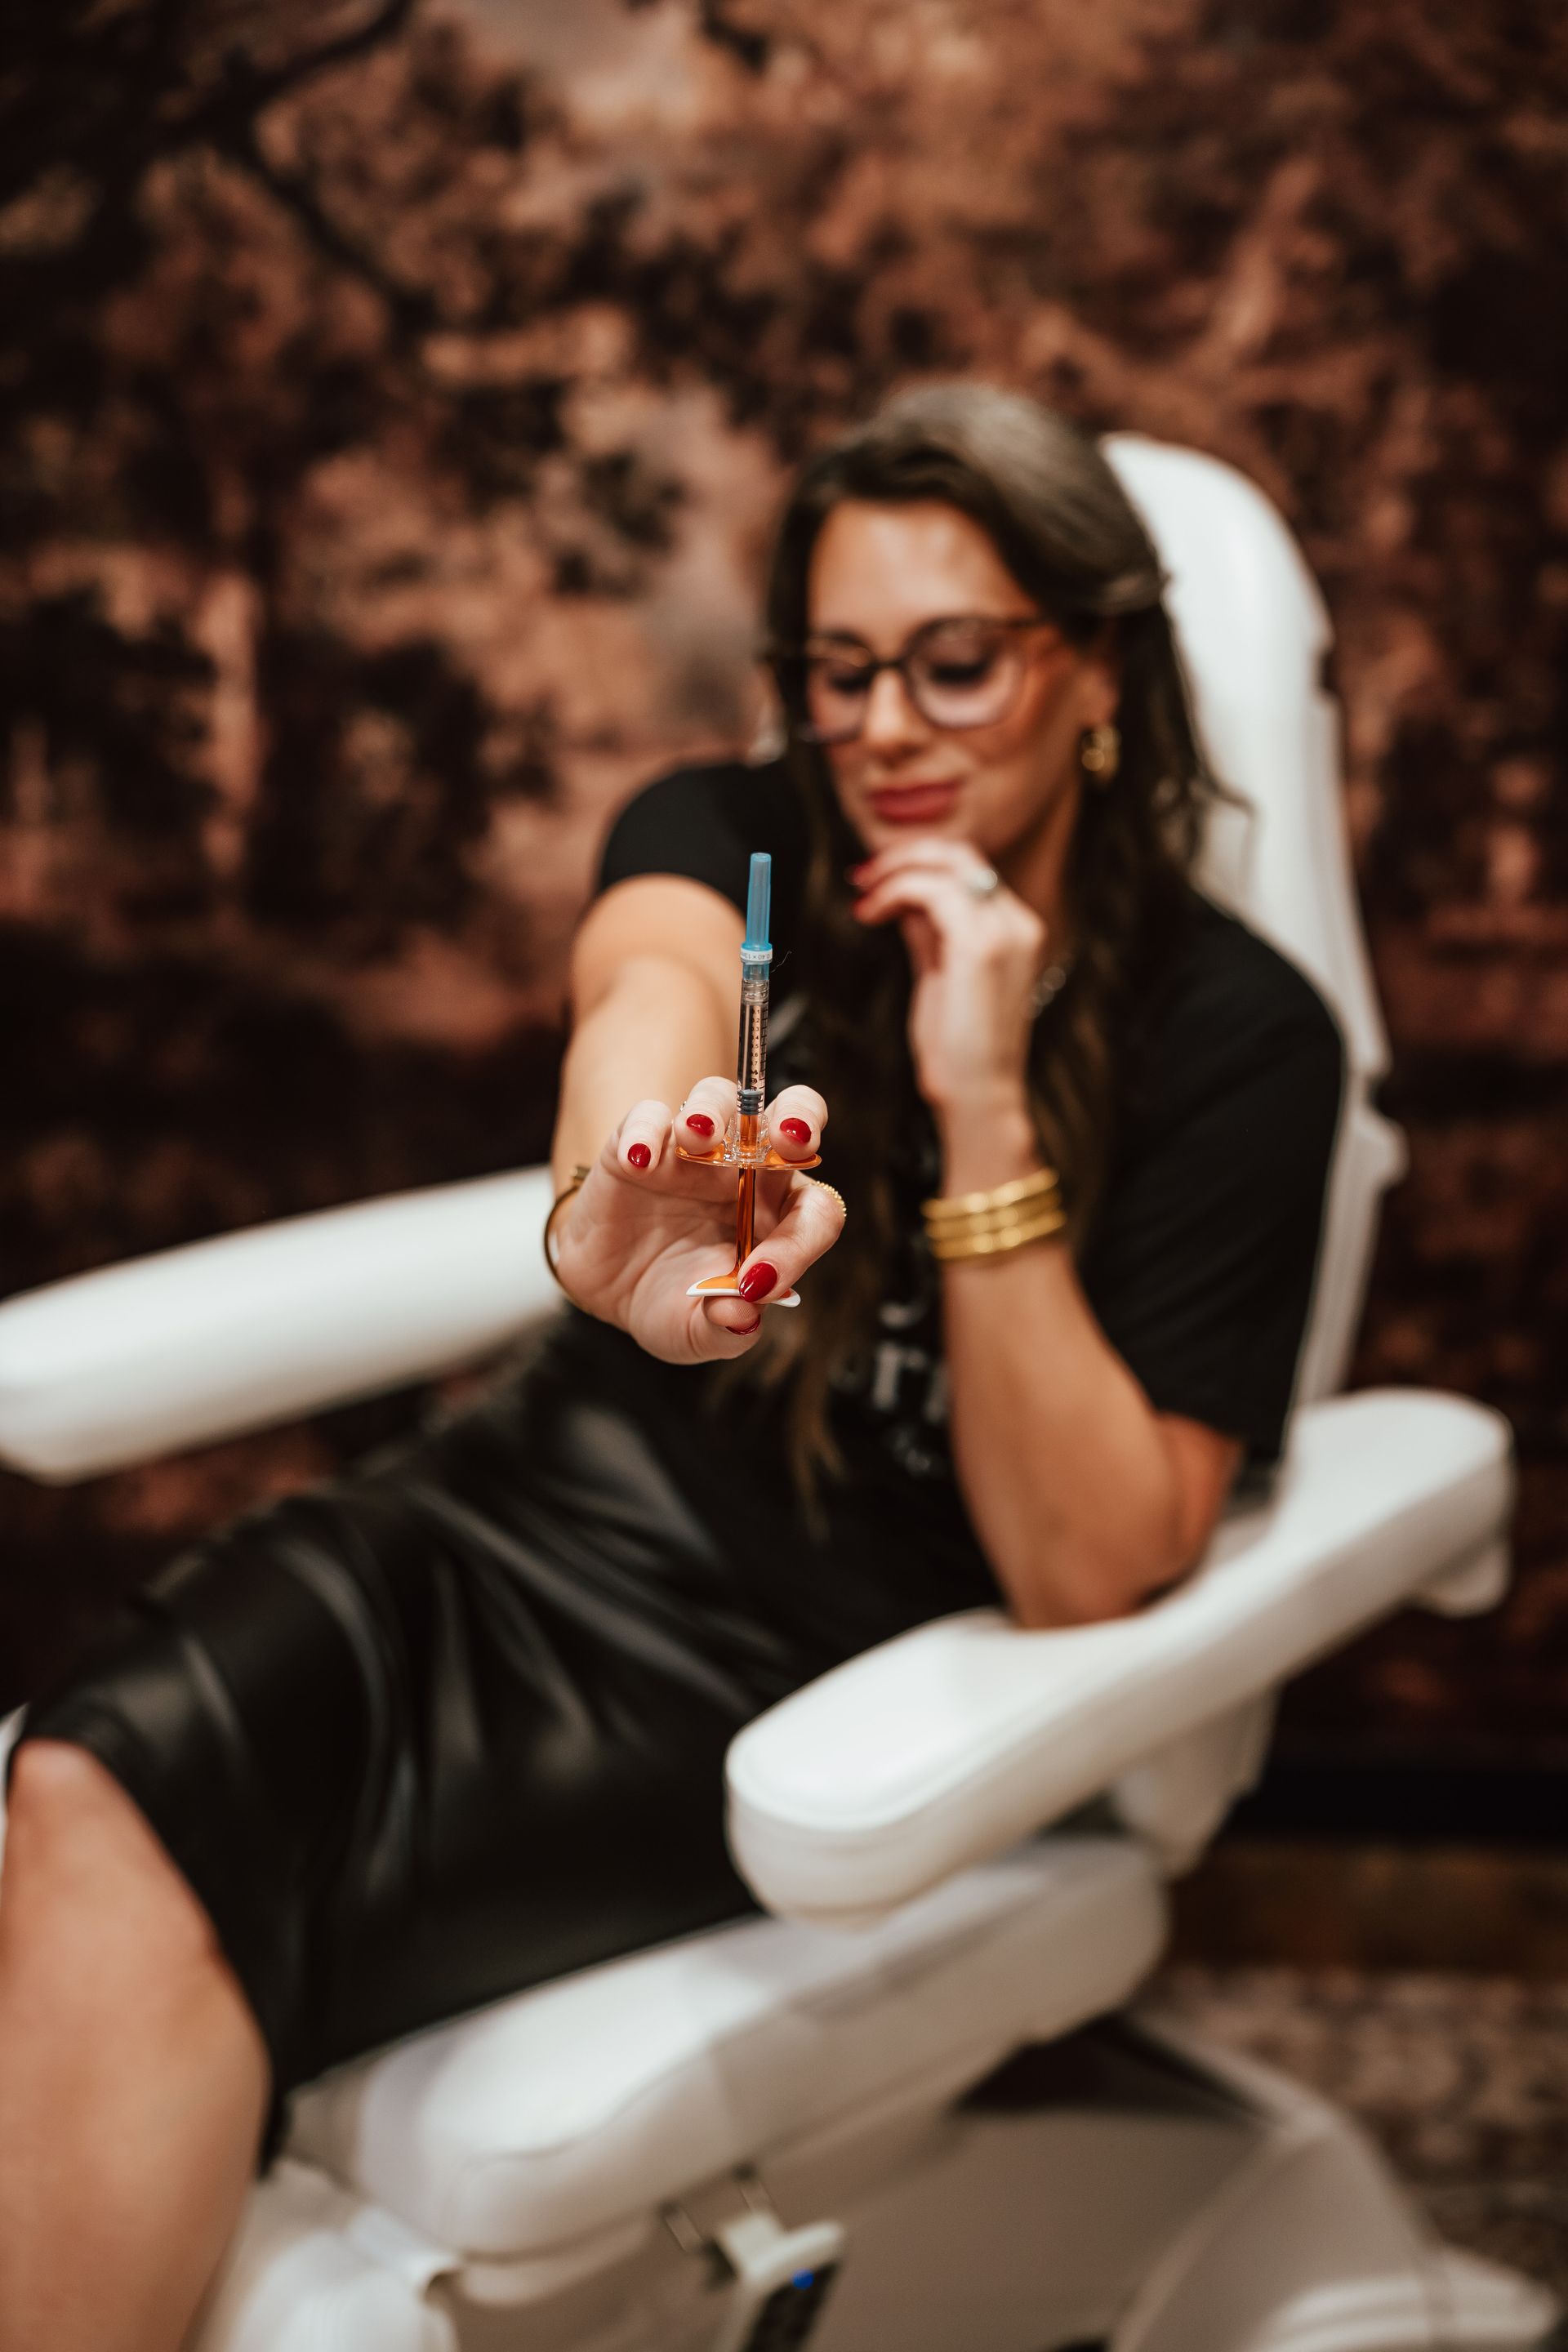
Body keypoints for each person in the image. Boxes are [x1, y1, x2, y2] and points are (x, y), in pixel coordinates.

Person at [0, 383, 1343, 2350]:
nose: (884, 728)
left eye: (957, 667)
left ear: (1098, 670)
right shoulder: (732, 836)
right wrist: (626, 1201)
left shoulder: (1236, 1044)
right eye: (840, 669)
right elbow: (645, 994)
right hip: (518, 1523)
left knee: (202, 1843)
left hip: (791, 1666)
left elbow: (1088, 1562)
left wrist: (982, 1103)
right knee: (101, 1767)